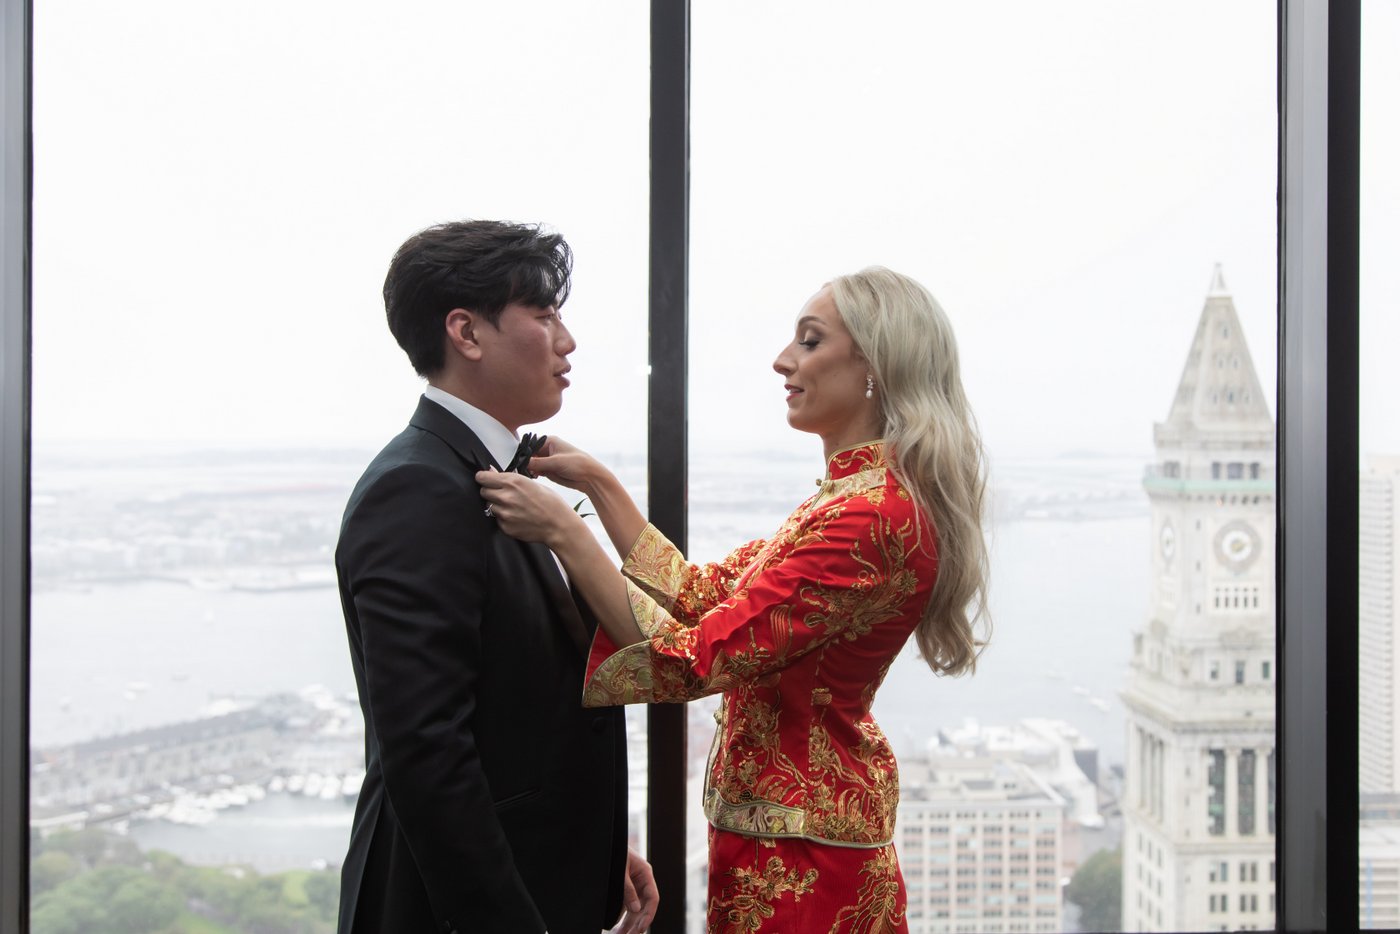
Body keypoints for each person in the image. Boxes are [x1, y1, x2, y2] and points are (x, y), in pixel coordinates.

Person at [479, 266, 989, 933]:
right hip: (781, 837)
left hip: (804, 857)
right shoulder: (850, 502)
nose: (783, 361)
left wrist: (564, 532)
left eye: (809, 342)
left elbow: (695, 660)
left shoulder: (871, 517)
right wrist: (601, 488)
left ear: (875, 365)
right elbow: (702, 594)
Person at [335, 220, 657, 934]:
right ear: (466, 333)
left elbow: (513, 712)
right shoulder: (417, 489)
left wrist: (601, 848)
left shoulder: (483, 475)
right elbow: (428, 756)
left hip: (536, 880)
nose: (567, 342)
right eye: (544, 316)